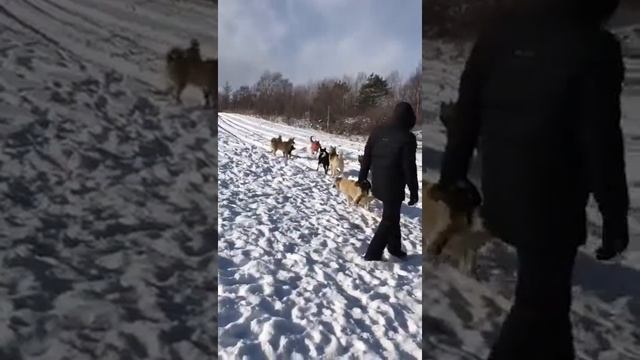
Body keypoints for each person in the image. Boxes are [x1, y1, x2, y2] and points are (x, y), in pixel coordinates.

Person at [438, 0, 629, 358]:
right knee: (537, 309)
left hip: (502, 188)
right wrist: (614, 211)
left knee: (549, 306)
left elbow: (467, 113)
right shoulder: (594, 47)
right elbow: (601, 137)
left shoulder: (497, 33)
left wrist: (453, 174)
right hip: (553, 204)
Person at [358, 102, 420, 261]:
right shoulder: (407, 138)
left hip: (378, 181)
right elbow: (409, 167)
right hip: (393, 186)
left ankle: (394, 248)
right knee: (389, 219)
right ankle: (372, 254)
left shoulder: (377, 131)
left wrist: (362, 177)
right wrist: (414, 190)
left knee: (393, 216)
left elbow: (367, 155)